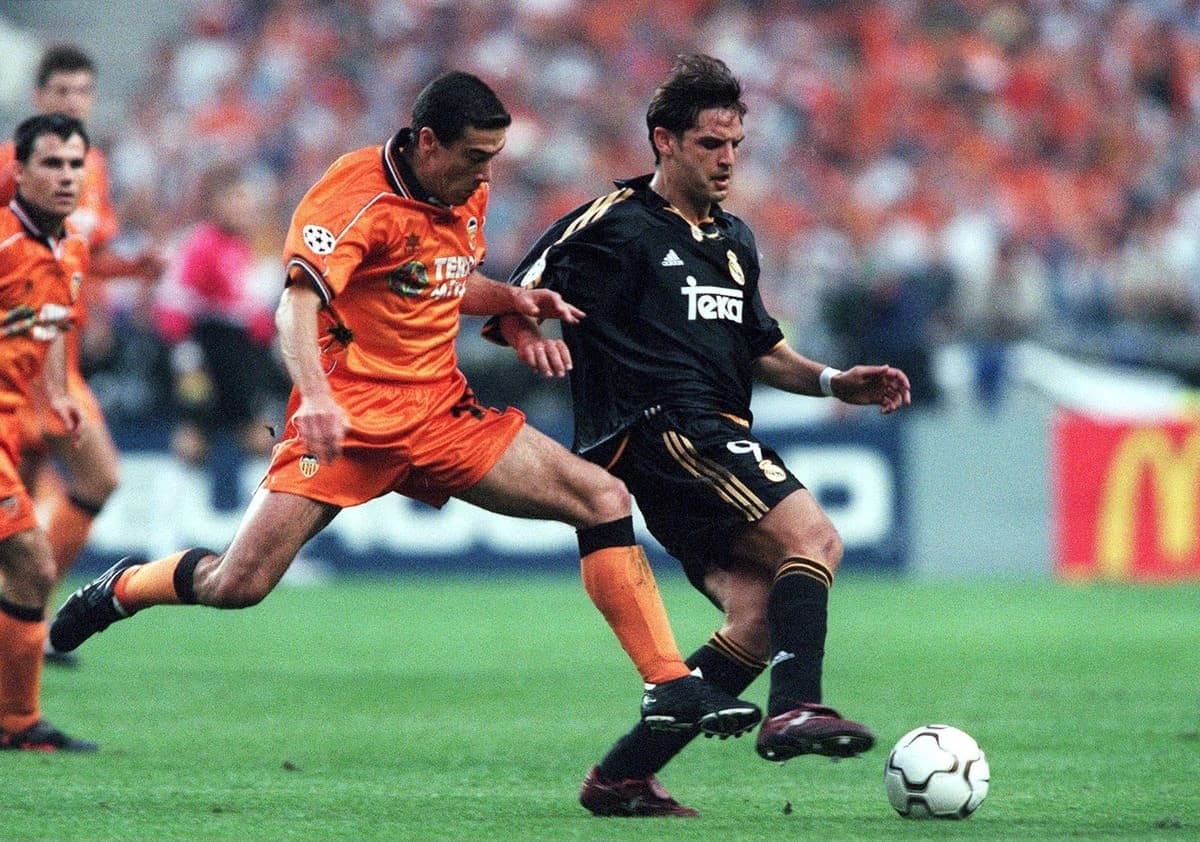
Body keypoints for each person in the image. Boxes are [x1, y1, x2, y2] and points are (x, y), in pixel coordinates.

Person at [51, 71, 762, 741]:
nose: (487, 174)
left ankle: (667, 683)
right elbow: (296, 306)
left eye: (495, 157)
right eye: (475, 157)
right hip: (349, 423)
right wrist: (321, 400)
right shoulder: (352, 197)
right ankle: (125, 587)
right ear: (428, 143)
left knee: (602, 496)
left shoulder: (464, 190)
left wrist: (512, 298)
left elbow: (442, 281)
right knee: (238, 584)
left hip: (440, 414)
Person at [486, 54, 912, 816]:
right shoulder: (615, 221)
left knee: (754, 613)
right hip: (659, 429)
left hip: (707, 435)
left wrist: (829, 381)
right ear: (666, 141)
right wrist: (526, 331)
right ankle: (798, 705)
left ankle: (621, 777)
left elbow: (761, 350)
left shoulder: (734, 240)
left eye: (736, 146)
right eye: (712, 144)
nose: (727, 160)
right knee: (813, 540)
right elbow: (518, 287)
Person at [0, 44, 163, 666]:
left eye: (83, 93)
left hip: (57, 357)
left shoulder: (89, 166)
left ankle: (28, 615)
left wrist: (127, 270)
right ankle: (28, 617)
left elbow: (75, 254)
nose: (73, 103)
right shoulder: (20, 163)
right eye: (62, 92)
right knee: (77, 480)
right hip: (22, 354)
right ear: (40, 97)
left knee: (70, 486)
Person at [0, 113, 96, 751]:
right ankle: (18, 723)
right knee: (32, 564)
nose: (65, 176)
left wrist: (58, 395)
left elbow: (56, 325)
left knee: (26, 570)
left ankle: (16, 723)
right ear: (19, 171)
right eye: (51, 164)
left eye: (74, 164)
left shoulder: (73, 248)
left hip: (12, 425)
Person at [153, 161, 283, 464]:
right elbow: (175, 300)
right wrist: (185, 351)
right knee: (195, 428)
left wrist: (266, 342)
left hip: (239, 352)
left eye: (248, 201)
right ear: (216, 203)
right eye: (237, 199)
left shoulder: (242, 245)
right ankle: (178, 501)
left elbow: (246, 304)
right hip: (204, 348)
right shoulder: (201, 243)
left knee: (257, 430)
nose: (245, 208)